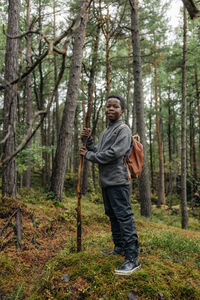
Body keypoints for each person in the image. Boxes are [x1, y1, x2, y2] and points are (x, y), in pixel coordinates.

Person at [80, 94, 141, 276]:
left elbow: (114, 153)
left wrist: (89, 156)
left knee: (124, 217)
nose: (111, 109)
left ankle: (133, 259)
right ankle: (120, 247)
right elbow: (99, 151)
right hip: (106, 182)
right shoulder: (106, 131)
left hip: (119, 181)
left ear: (122, 110)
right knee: (112, 215)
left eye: (115, 106)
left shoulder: (123, 130)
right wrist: (89, 141)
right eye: (108, 106)